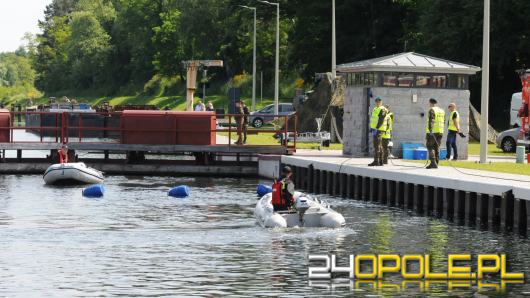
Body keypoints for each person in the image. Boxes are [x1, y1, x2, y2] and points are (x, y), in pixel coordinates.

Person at [425, 98, 445, 169]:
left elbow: (432, 120)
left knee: (430, 146)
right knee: (436, 147)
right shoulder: (442, 111)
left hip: (433, 132)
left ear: (430, 103)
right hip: (440, 131)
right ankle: (436, 162)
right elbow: (444, 121)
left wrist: (430, 129)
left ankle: (433, 163)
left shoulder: (432, 110)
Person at [368, 97, 388, 166]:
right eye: (376, 101)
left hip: (379, 129)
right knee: (378, 145)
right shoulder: (375, 109)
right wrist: (372, 127)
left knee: (377, 145)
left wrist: (376, 128)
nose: (377, 103)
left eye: (379, 101)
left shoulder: (382, 109)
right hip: (375, 129)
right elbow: (374, 119)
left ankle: (376, 161)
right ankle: (381, 161)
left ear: (381, 102)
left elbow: (381, 120)